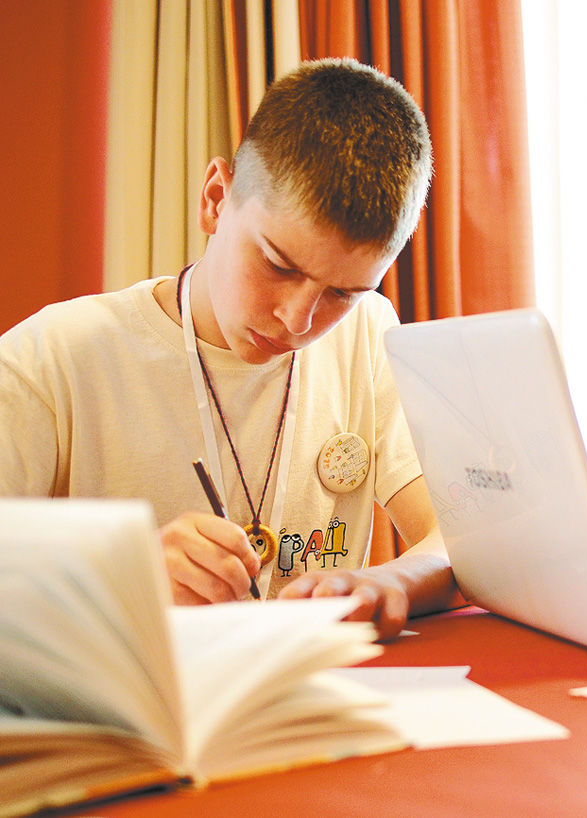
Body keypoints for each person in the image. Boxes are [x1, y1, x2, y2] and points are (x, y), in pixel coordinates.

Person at [0, 58, 461, 640]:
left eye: (342, 292)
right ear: (216, 199)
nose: (298, 320)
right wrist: (118, 577)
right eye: (278, 265)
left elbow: (465, 536)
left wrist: (391, 579)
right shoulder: (51, 358)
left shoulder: (365, 333)